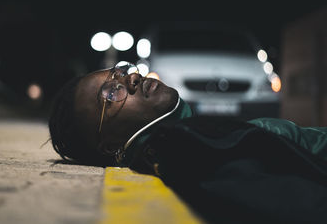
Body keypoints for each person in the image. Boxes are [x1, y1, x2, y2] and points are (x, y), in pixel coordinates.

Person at [48, 61, 327, 224]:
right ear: (110, 147)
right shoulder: (201, 147)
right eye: (111, 93)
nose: (131, 78)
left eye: (119, 73)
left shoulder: (179, 145)